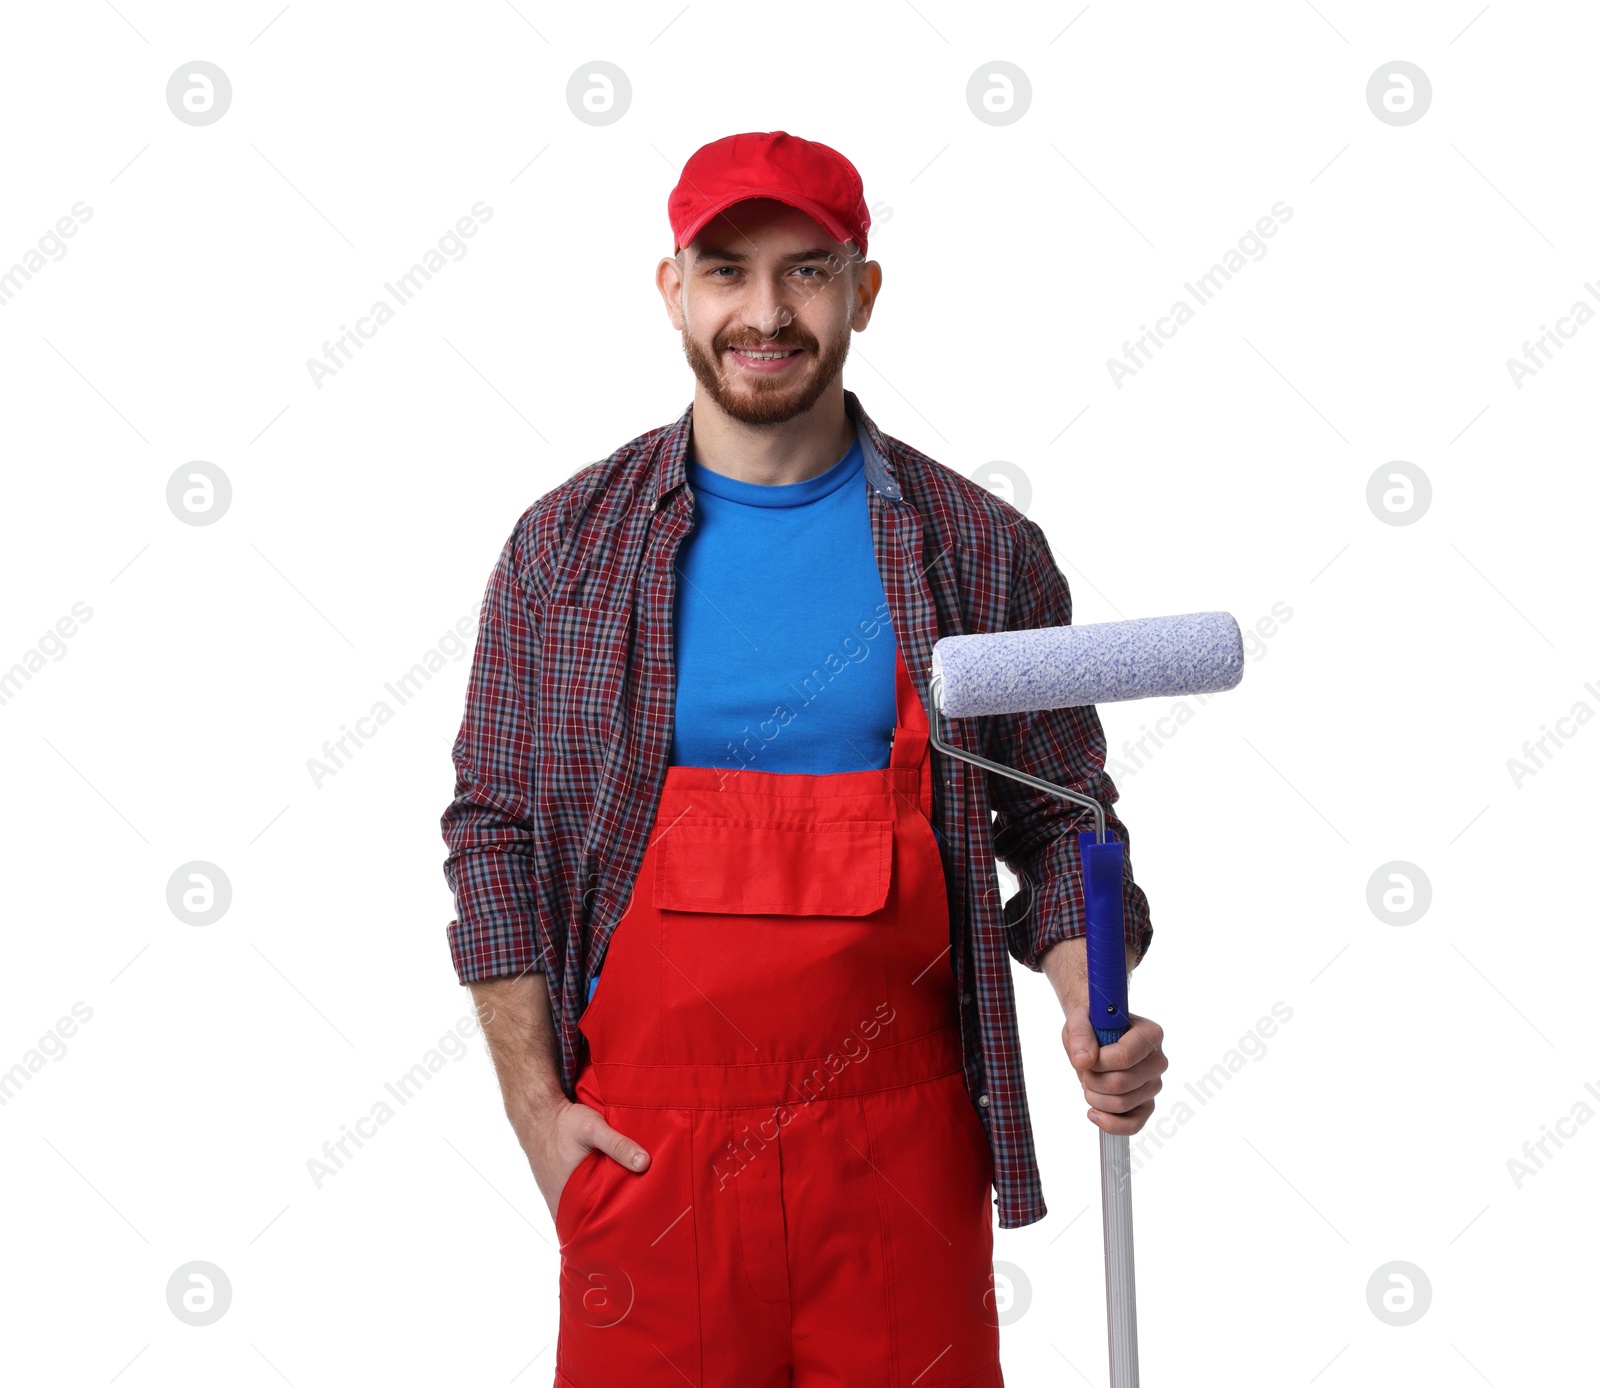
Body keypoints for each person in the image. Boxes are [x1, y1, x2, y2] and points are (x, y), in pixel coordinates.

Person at [441, 129, 1168, 1388]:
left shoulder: (978, 551)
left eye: (807, 272)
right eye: (726, 270)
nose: (764, 311)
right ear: (672, 288)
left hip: (900, 1165)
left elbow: (1061, 819)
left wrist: (1082, 1000)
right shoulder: (565, 551)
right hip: (646, 1172)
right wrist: (533, 1112)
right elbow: (492, 827)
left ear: (863, 291)